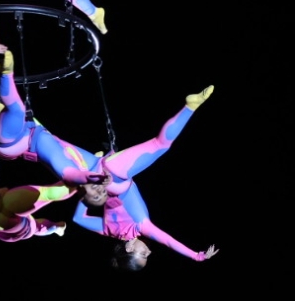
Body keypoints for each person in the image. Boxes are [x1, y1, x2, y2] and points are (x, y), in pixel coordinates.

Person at [52, 86, 220, 269]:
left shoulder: (140, 227)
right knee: (49, 140)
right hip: (96, 171)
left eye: (143, 254)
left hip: (116, 175)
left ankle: (190, 106)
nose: (149, 252)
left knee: (160, 144)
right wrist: (89, 188)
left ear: (129, 247)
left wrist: (196, 256)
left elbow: (168, 241)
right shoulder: (108, 231)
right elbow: (78, 218)